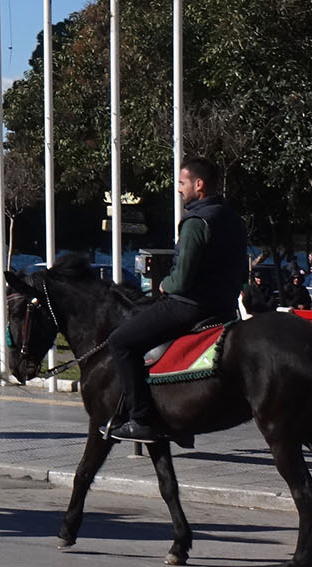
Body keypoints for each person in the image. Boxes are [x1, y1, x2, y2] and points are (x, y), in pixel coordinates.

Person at [105, 154, 247, 442]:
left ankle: (142, 419)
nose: (179, 189)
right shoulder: (233, 218)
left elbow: (181, 279)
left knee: (120, 342)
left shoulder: (196, 222)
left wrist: (164, 285)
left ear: (199, 184)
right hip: (224, 307)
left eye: (182, 183)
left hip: (190, 306)